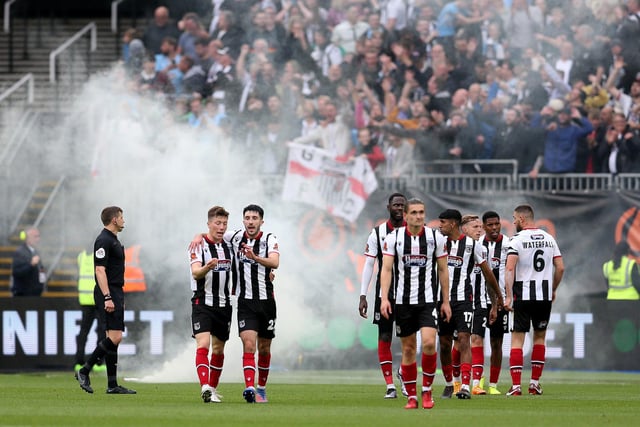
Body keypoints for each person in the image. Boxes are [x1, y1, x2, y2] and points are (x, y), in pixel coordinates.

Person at [379, 198, 452, 410]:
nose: (419, 216)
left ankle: (427, 391)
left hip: (428, 301)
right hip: (403, 302)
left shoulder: (435, 238)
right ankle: (412, 396)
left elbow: (443, 270)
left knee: (429, 343)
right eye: (414, 213)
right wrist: (384, 298)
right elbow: (386, 270)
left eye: (422, 212)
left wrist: (445, 301)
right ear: (407, 215)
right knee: (409, 349)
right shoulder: (394, 238)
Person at [437, 209, 502, 399]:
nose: (440, 226)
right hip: (441, 300)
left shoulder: (473, 246)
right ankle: (450, 384)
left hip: (464, 300)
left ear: (453, 224)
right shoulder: (438, 242)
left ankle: (466, 385)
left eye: (443, 222)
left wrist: (496, 298)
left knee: (465, 339)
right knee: (444, 343)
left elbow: (488, 273)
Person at [75, 206, 136, 395]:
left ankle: (112, 384)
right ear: (114, 220)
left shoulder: (113, 240)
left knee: (113, 338)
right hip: (108, 292)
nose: (124, 220)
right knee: (115, 337)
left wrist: (117, 296)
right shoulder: (104, 240)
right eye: (121, 217)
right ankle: (84, 370)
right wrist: (108, 297)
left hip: (115, 291)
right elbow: (99, 270)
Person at [504, 204, 564, 396]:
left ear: (522, 219)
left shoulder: (516, 240)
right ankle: (534, 384)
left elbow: (510, 269)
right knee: (539, 337)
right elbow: (560, 268)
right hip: (543, 297)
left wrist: (507, 295)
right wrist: (553, 289)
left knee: (517, 340)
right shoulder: (549, 238)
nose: (513, 222)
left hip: (523, 295)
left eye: (514, 218)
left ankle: (515, 387)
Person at [358, 193, 407, 399]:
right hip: (384, 294)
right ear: (388, 207)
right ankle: (390, 385)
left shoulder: (415, 233)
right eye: (395, 205)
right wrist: (363, 295)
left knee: (408, 339)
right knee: (385, 336)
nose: (398, 208)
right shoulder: (377, 233)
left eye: (402, 205)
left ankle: (405, 375)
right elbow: (369, 264)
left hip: (409, 294)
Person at [189, 206, 235, 403]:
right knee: (204, 344)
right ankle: (204, 386)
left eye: (224, 223)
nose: (221, 227)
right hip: (202, 302)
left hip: (224, 304)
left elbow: (249, 234)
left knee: (218, 349)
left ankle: (212, 390)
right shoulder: (198, 246)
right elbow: (195, 272)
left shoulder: (230, 242)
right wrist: (208, 267)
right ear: (208, 224)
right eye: (217, 223)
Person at [481, 210, 511, 394]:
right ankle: (474, 381)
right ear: (484, 226)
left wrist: (509, 297)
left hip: (500, 302)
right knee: (472, 340)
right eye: (490, 225)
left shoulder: (509, 244)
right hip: (478, 300)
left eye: (496, 224)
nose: (494, 228)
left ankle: (493, 384)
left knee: (496, 342)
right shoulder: (477, 244)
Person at [74, 246, 106, 372]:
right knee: (101, 332)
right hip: (97, 298)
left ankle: (79, 361)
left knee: (83, 331)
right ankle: (99, 363)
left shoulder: (81, 256)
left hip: (85, 299)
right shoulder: (99, 256)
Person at [11, 227, 46, 296]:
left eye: (38, 236)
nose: (38, 239)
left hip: (35, 293)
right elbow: (16, 272)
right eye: (35, 237)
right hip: (23, 295)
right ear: (28, 238)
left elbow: (41, 271)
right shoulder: (20, 252)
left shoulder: (37, 252)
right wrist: (31, 264)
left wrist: (43, 280)